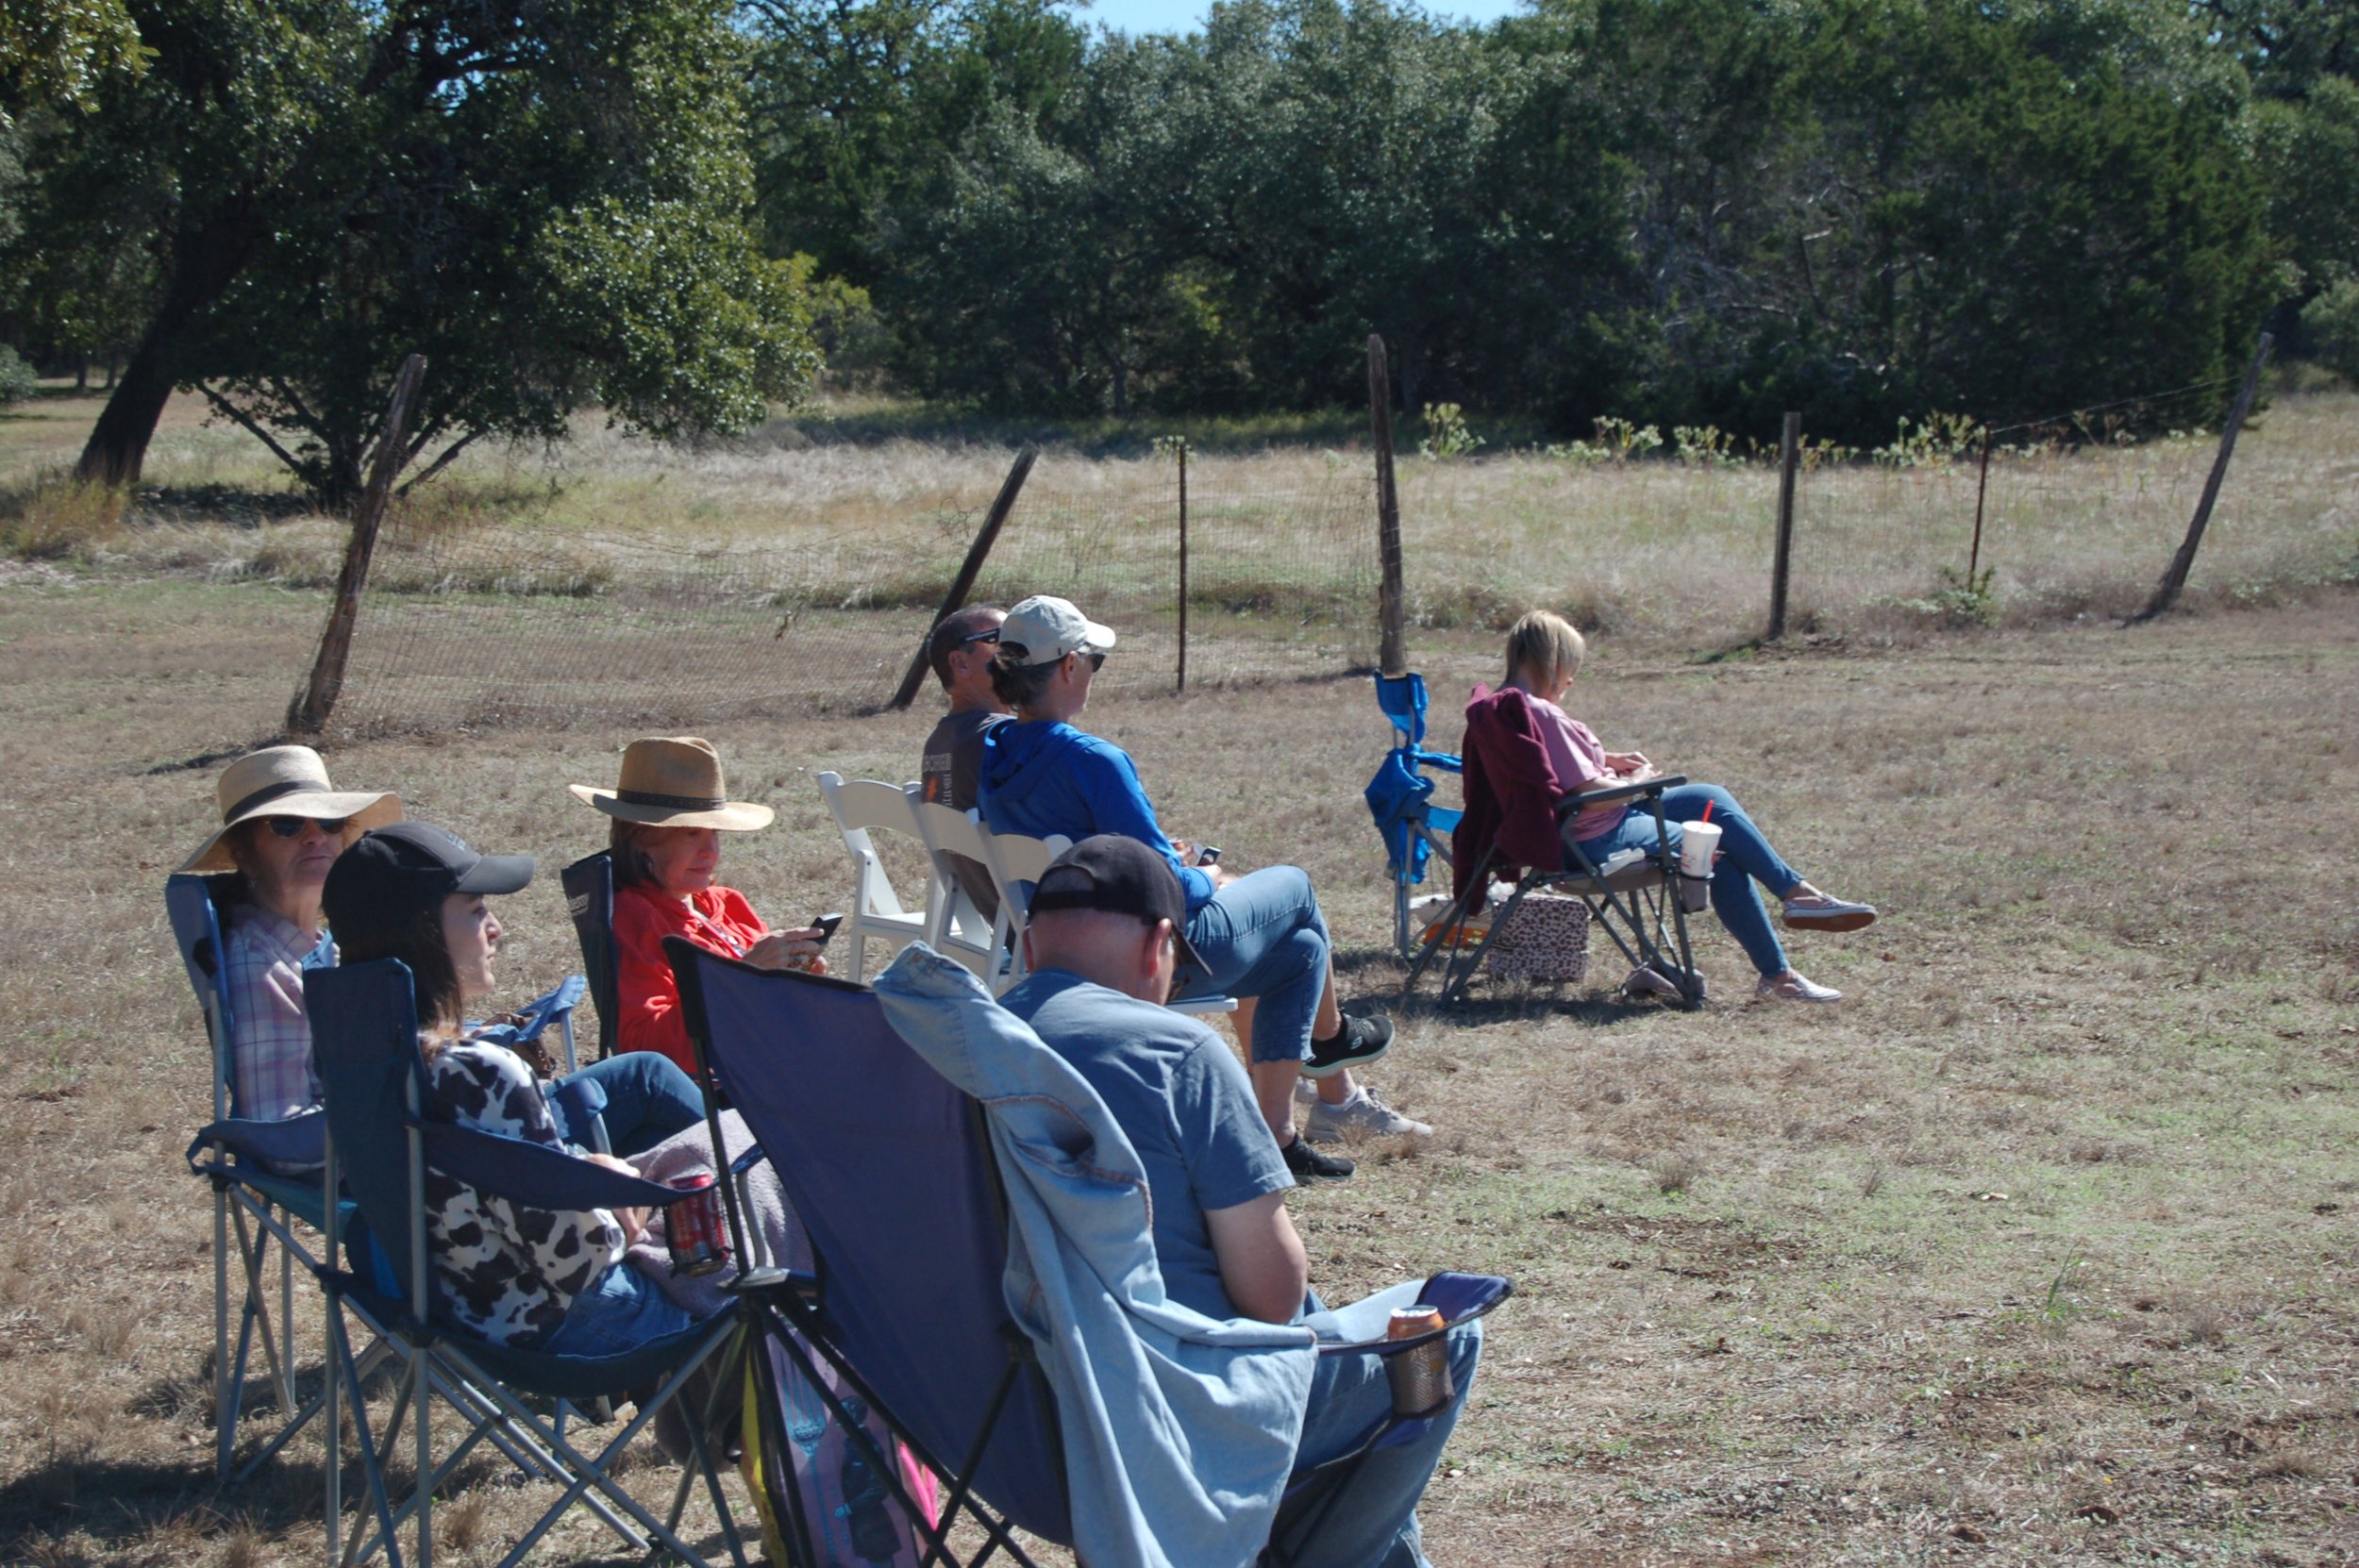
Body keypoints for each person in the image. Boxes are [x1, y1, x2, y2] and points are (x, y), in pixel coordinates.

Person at [1000, 837, 1481, 1568]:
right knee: (1435, 1340)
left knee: (1331, 1325)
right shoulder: (1176, 1056)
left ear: (1031, 952)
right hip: (1186, 1411)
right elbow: (1270, 1298)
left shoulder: (956, 1050)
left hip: (1016, 1422)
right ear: (1161, 945)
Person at [976, 593, 1425, 1181]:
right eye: (1094, 661)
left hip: (1055, 951)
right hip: (1146, 957)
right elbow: (1175, 892)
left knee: (1303, 953)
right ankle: (1333, 1042)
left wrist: (1164, 858)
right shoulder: (1095, 759)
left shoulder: (989, 749)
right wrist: (1202, 873)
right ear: (1067, 666)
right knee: (1296, 888)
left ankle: (1277, 1134)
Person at [322, 821, 713, 1352]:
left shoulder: (364, 1054)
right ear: (425, 931)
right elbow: (579, 1260)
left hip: (456, 1317)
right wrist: (622, 1202)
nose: (496, 927)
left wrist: (580, 1172)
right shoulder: (476, 1070)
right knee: (768, 1305)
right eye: (477, 909)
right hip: (572, 1324)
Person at [1479, 609, 1877, 1002]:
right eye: (1572, 668)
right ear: (1555, 660)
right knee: (1713, 848)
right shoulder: (1542, 711)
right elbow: (1585, 788)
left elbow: (1548, 769)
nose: (1572, 679)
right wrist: (1637, 783)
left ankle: (1799, 894)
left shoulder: (1501, 704)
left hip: (1576, 827)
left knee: (1709, 799)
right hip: (1594, 834)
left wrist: (1609, 759)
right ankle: (1780, 974)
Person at [571, 737, 827, 1076]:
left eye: (715, 834)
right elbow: (645, 1053)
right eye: (692, 834)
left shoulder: (727, 902)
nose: (710, 851)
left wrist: (795, 978)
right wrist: (742, 979)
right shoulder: (637, 919)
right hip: (724, 1089)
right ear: (640, 837)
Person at [178, 744, 403, 1129]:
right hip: (350, 1176)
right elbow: (281, 1130)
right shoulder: (262, 968)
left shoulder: (325, 947)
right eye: (287, 824)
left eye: (329, 823)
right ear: (244, 856)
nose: (315, 837)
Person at [918, 603, 1012, 922]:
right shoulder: (998, 739)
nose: (1021, 647)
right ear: (960, 663)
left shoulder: (942, 739)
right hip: (1031, 922)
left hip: (994, 916)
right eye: (1002, 639)